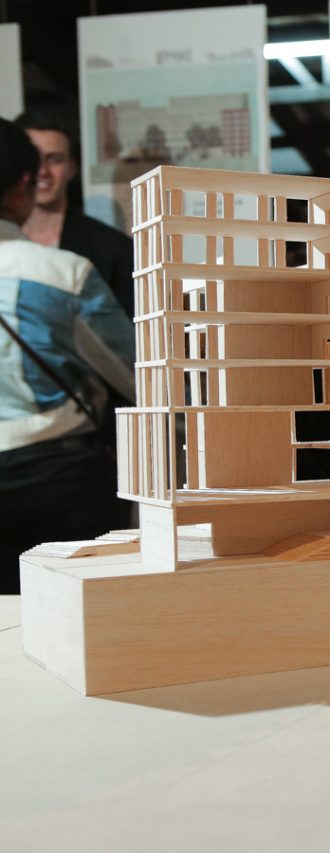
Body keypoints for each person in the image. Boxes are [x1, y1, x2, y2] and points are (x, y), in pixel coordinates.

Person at [0, 118, 135, 593]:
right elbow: (136, 375)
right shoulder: (64, 274)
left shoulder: (94, 250)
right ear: (21, 184)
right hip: (58, 480)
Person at [15, 107, 134, 314]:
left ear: (72, 168)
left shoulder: (113, 250)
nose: (43, 171)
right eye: (33, 158)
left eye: (55, 159)